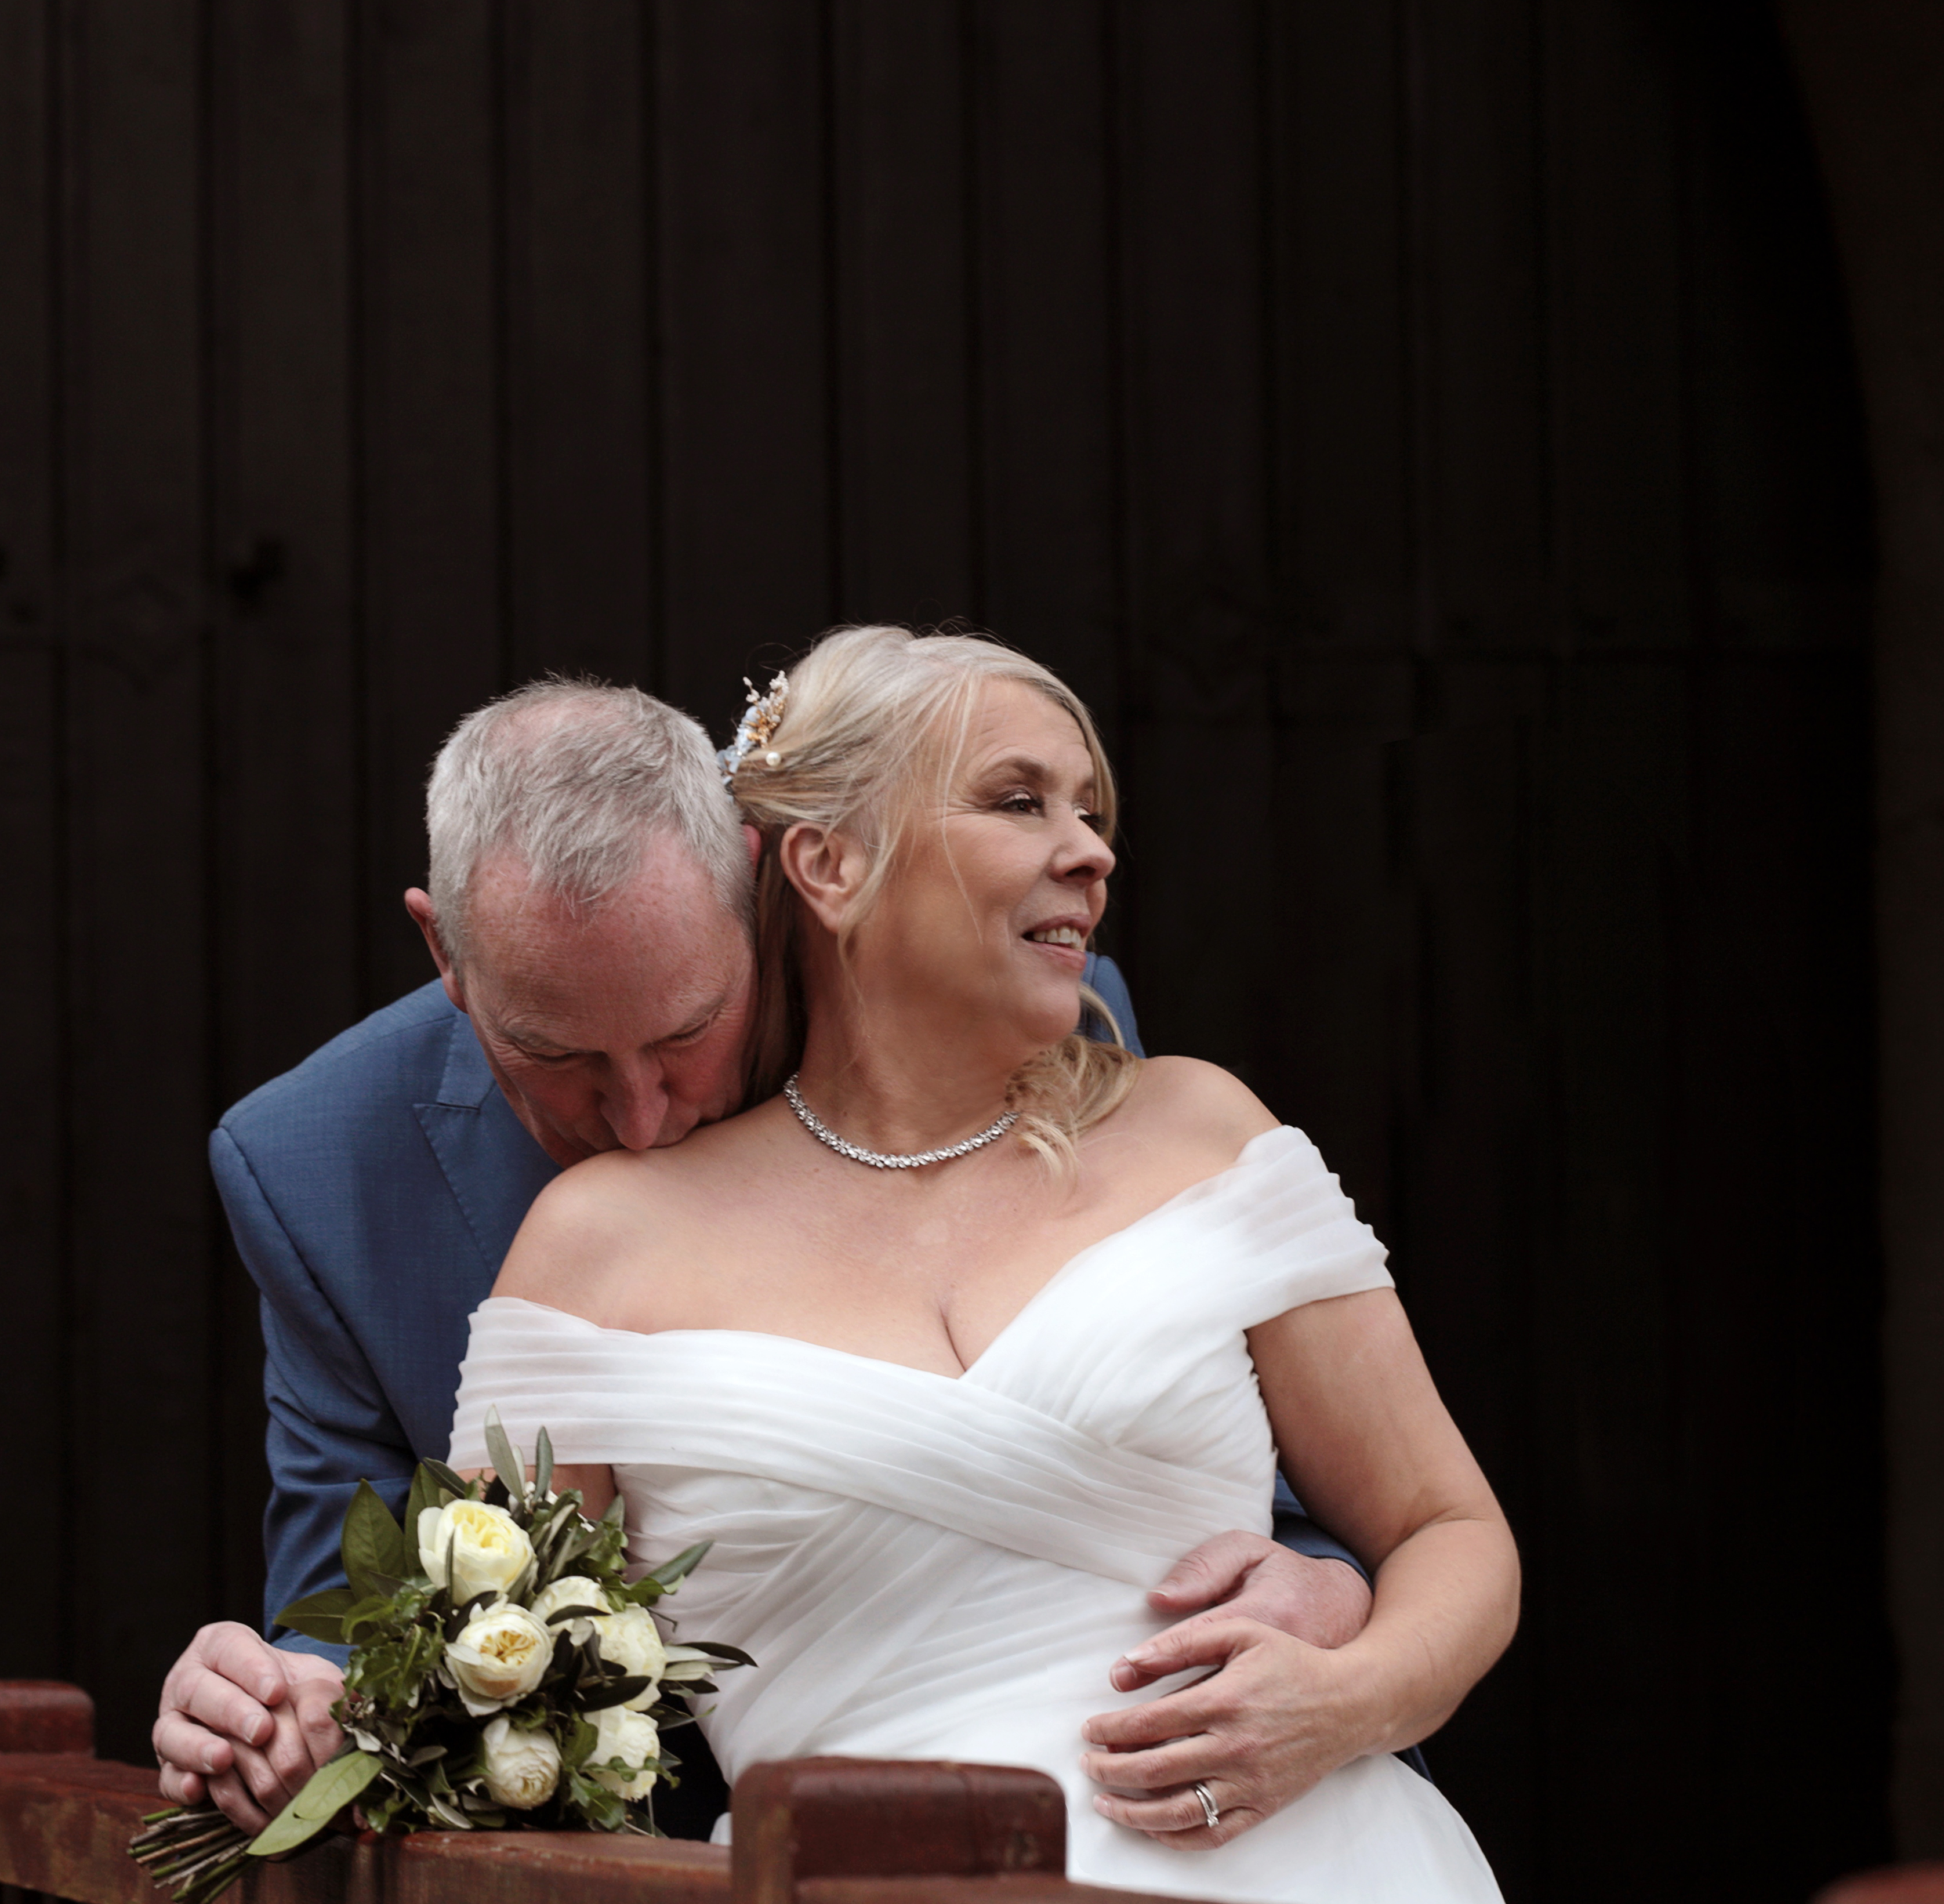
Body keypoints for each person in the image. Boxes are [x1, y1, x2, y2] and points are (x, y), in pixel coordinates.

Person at [149, 678, 1399, 1840]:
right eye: (558, 1057)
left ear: (755, 883)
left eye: (690, 1032)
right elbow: (341, 1629)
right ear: (445, 956)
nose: (641, 1118)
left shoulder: (1006, 1011)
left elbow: (1210, 1449)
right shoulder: (318, 1167)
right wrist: (270, 1704)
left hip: (1178, 1794)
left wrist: (1335, 1590)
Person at [451, 629, 1519, 1904]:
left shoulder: (1203, 1132)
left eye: (1092, 811)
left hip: (1334, 1901)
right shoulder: (597, 1243)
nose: (1090, 850)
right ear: (831, 863)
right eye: (1021, 802)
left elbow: (1451, 1532)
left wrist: (1342, 1704)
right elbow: (474, 1699)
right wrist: (282, 1707)